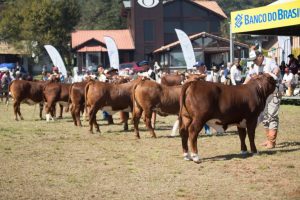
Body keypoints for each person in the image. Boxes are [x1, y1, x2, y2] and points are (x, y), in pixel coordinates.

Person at [252, 50, 281, 149]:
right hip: (263, 95)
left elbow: (277, 69)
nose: (254, 62)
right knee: (264, 115)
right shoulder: (255, 66)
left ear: (260, 56)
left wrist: (272, 75)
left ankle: (272, 141)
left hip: (274, 92)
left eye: (255, 59)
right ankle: (268, 139)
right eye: (253, 60)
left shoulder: (270, 61)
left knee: (272, 115)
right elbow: (250, 76)